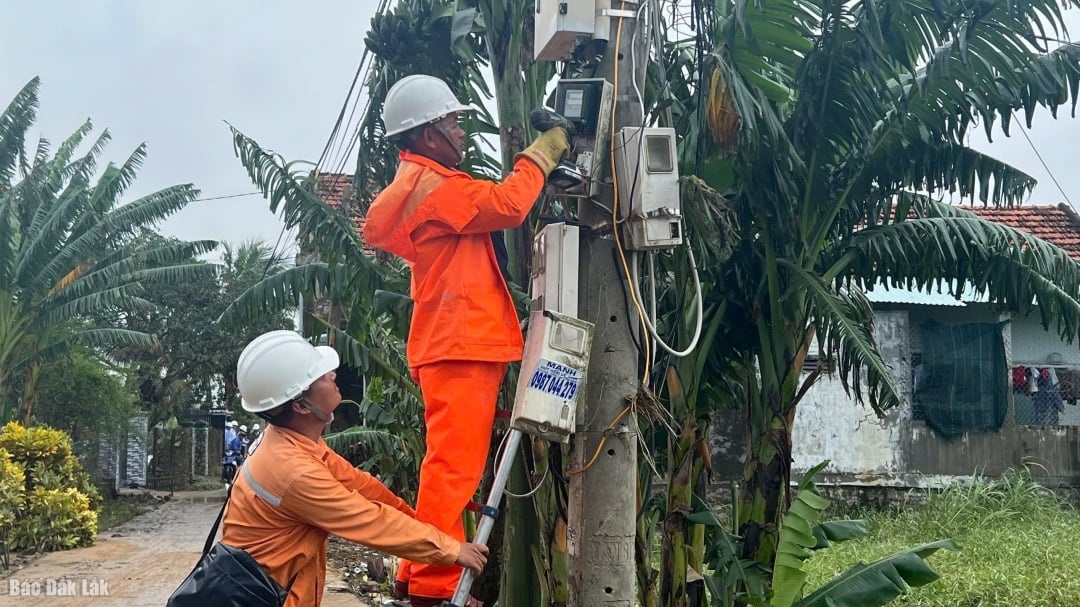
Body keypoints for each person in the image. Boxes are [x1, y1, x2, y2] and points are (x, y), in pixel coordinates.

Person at [362, 74, 569, 606]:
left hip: (452, 341)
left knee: (443, 467)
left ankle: (414, 569)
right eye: (452, 122)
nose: (459, 131)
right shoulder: (435, 187)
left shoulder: (418, 182)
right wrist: (544, 152)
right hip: (462, 342)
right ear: (428, 133)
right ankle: (434, 585)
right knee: (454, 470)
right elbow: (508, 204)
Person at [221, 330, 489, 607]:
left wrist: (426, 525)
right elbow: (370, 520)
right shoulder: (293, 472)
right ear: (301, 405)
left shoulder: (295, 444)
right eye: (319, 376)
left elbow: (362, 486)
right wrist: (450, 549)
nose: (332, 376)